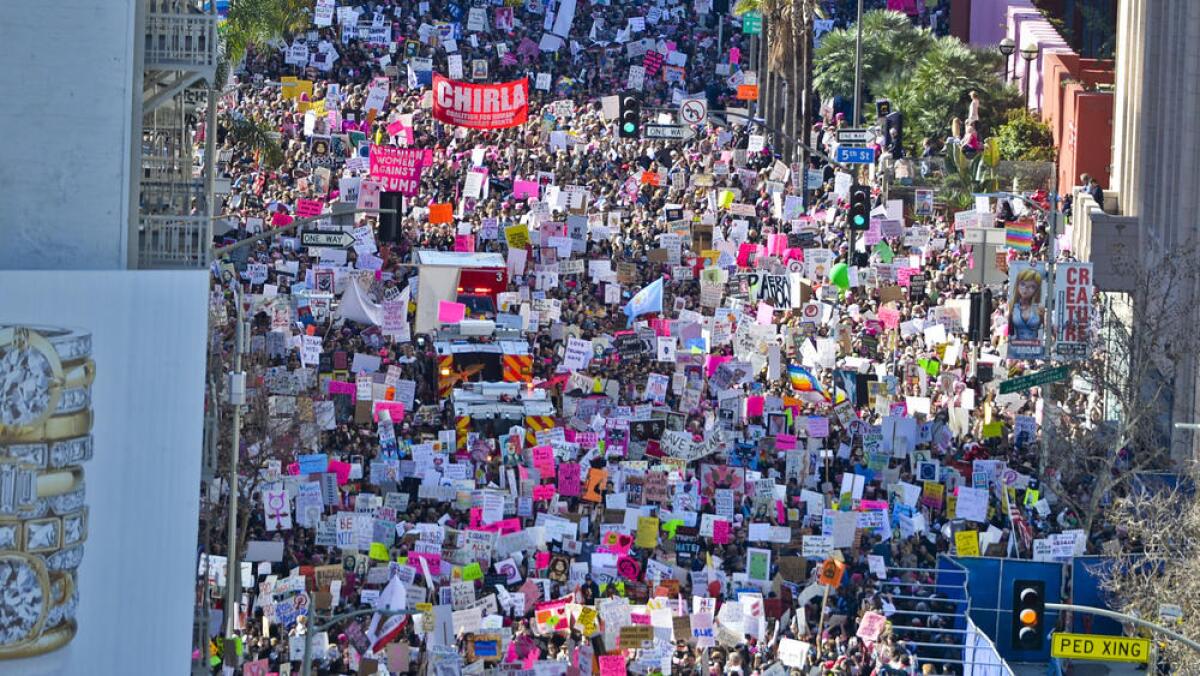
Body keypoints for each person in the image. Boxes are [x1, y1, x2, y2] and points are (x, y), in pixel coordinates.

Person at [1008, 267, 1045, 342]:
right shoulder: (1012, 306)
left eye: (1032, 287)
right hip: (1016, 348)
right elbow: (1009, 330)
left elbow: (1046, 328)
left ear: (1036, 290)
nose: (1026, 289)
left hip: (1034, 349)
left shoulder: (1039, 308)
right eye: (1023, 284)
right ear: (1017, 285)